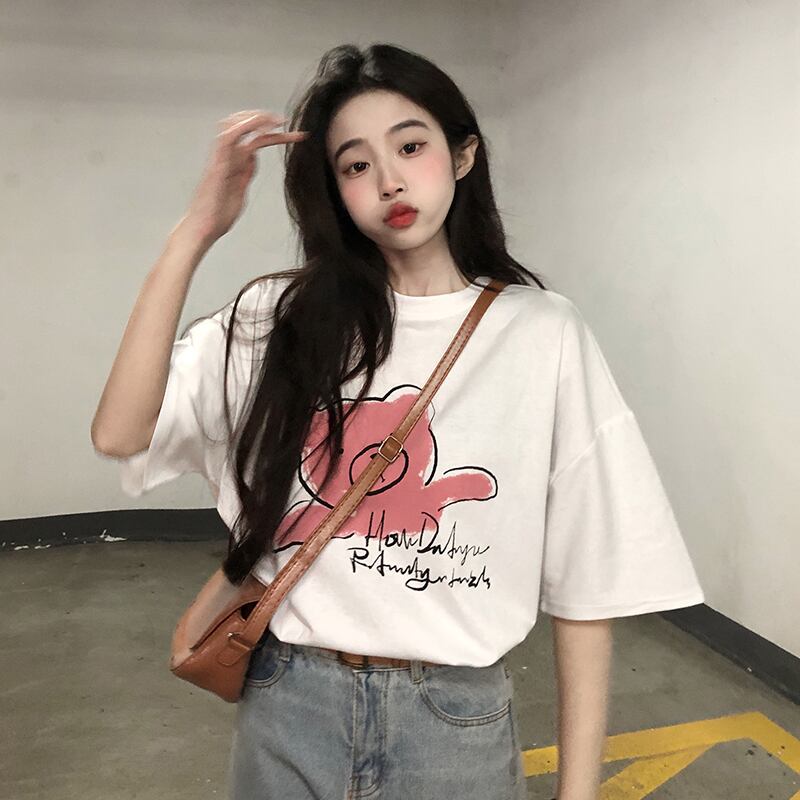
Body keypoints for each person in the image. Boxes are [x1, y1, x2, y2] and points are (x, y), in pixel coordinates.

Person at [92, 42, 705, 800]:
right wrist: (194, 231)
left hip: (453, 723)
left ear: (463, 155)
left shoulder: (543, 333)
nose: (388, 180)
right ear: (334, 191)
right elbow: (120, 434)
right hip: (290, 704)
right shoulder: (280, 318)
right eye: (355, 165)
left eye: (411, 147)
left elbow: (587, 587)